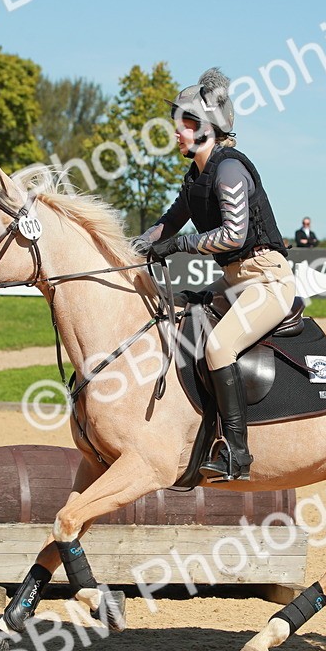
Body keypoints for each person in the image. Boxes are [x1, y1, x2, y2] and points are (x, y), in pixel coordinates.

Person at [132, 67, 295, 482]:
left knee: (219, 348)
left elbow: (232, 235)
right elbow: (166, 224)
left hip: (266, 280)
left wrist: (180, 245)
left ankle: (237, 453)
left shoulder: (229, 170)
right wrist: (131, 248)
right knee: (176, 317)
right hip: (234, 282)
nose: (177, 131)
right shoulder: (196, 178)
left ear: (209, 128)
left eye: (186, 123)